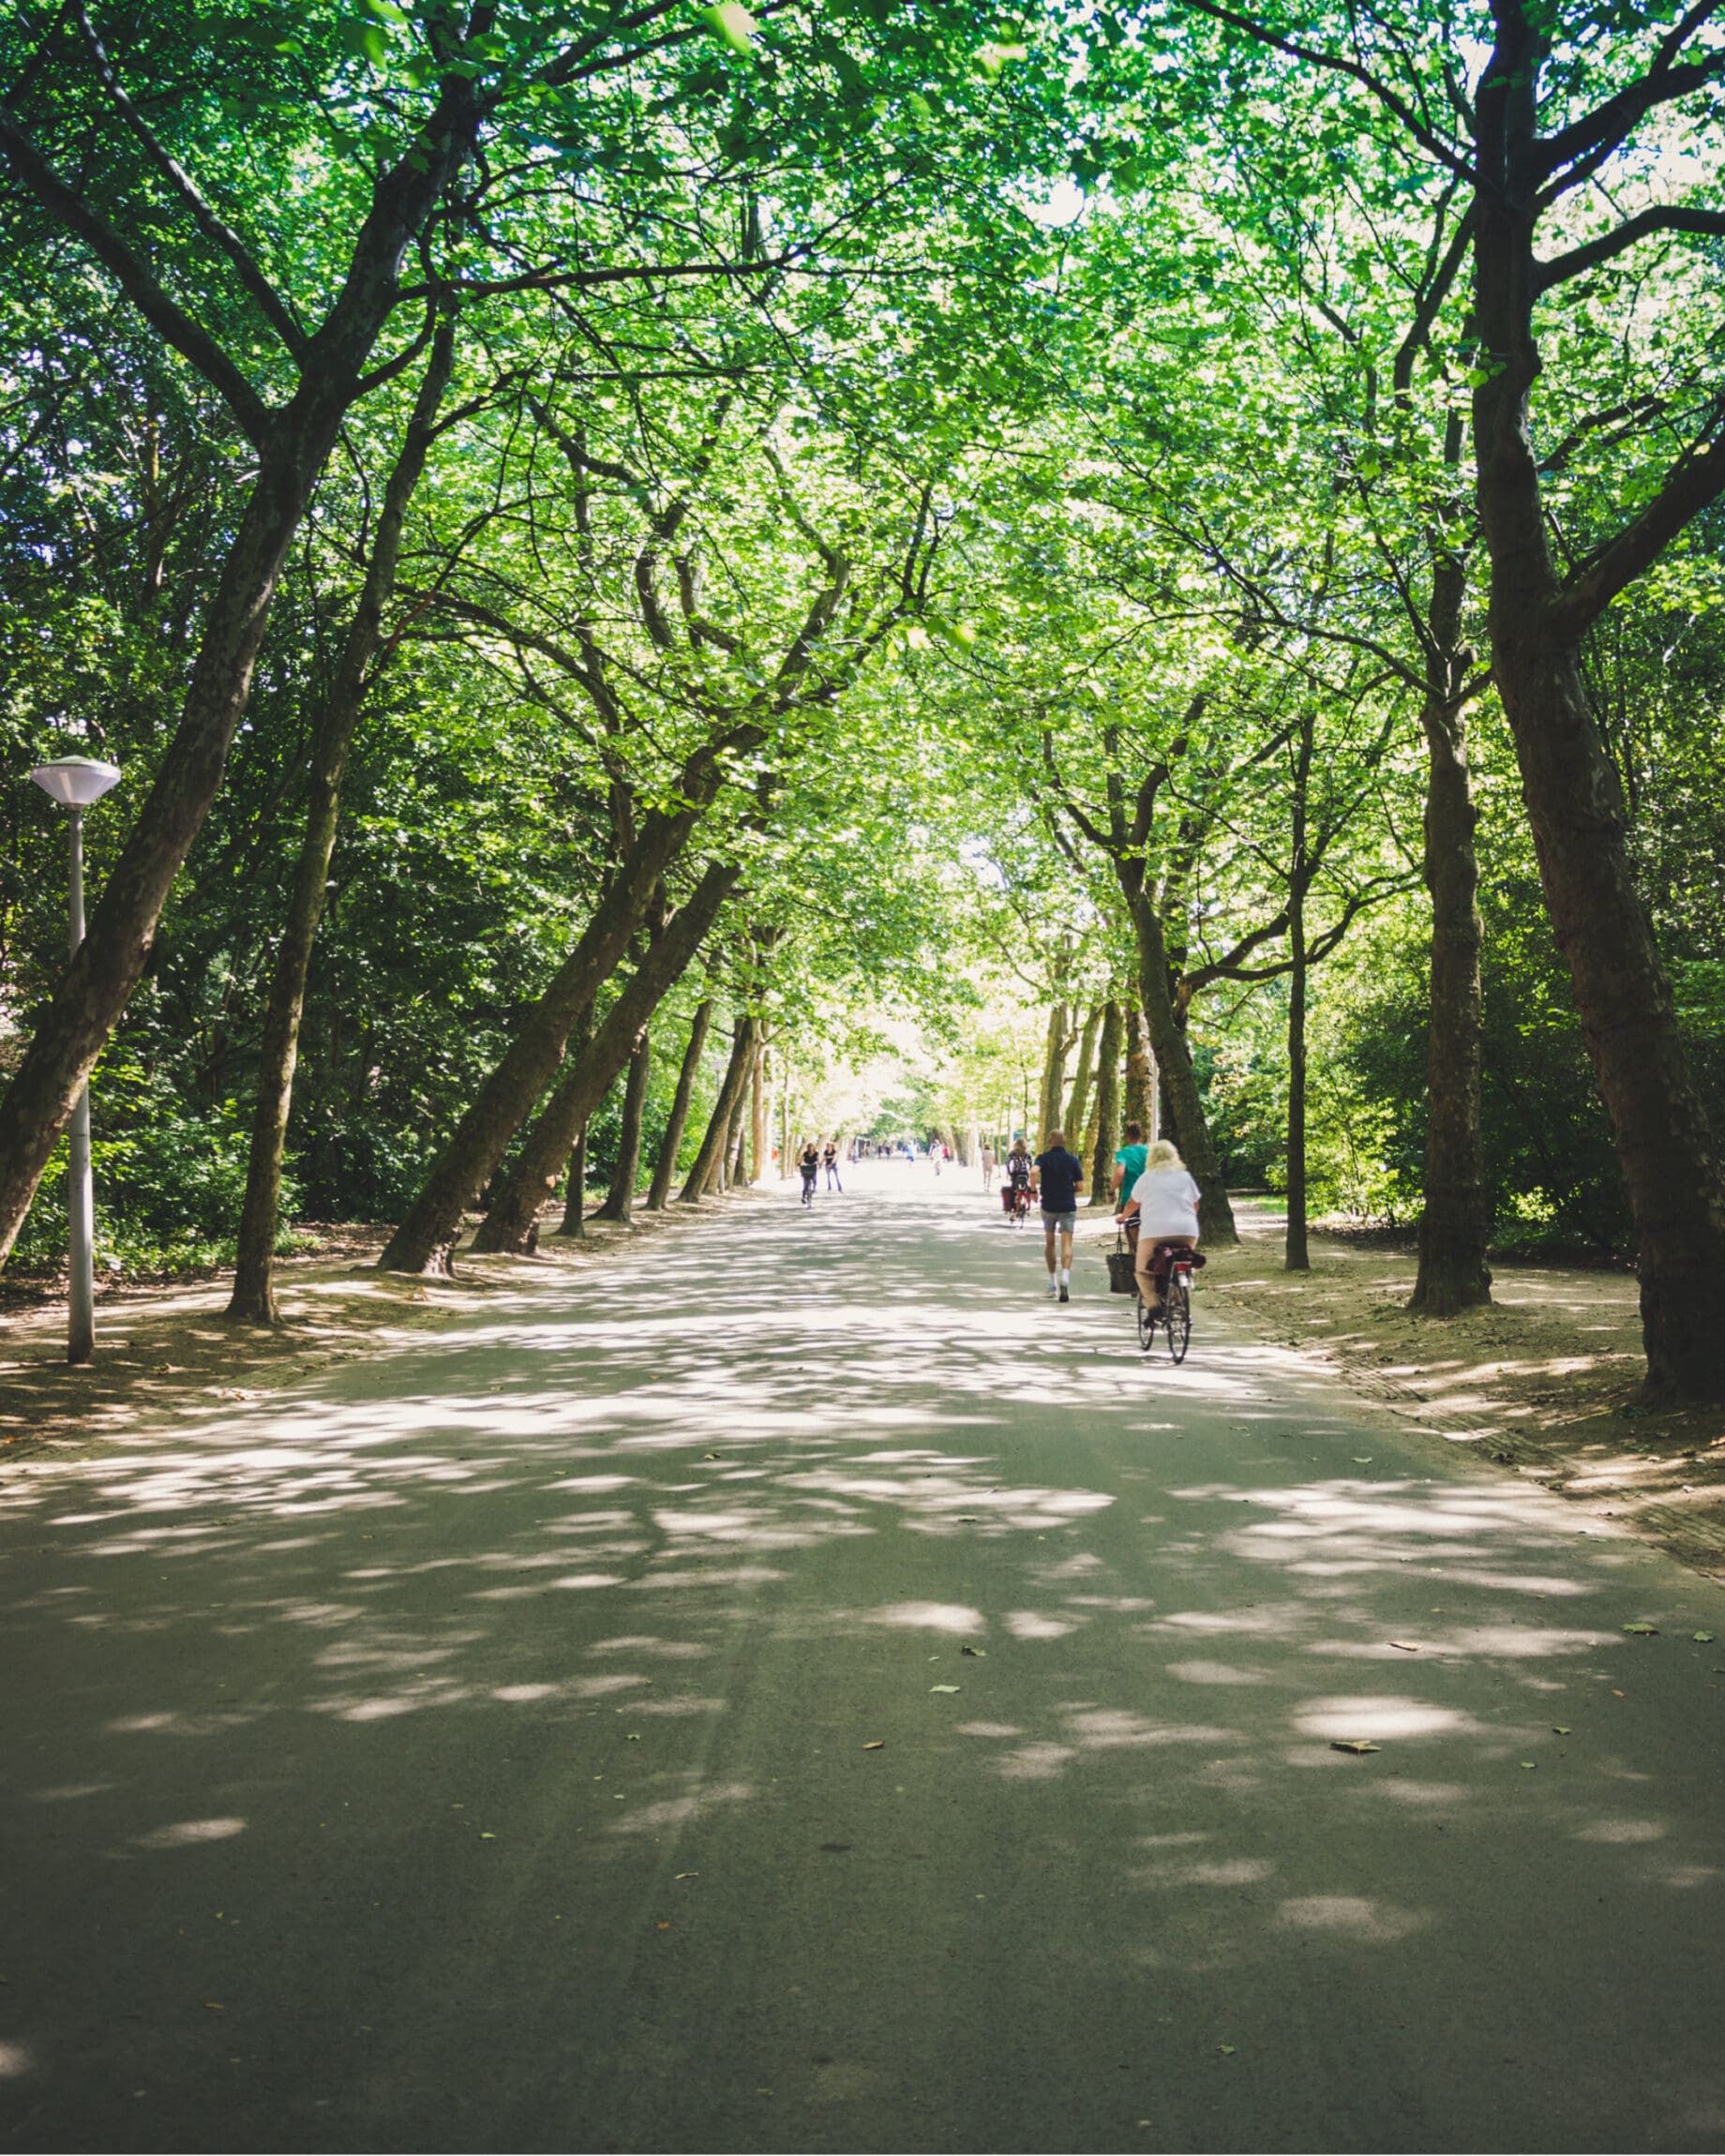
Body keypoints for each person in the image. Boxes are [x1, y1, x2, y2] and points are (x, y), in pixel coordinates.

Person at [1118, 1138, 1202, 1312]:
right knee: (1183, 1258)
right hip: (1187, 1230)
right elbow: (1196, 1205)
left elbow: (1132, 1204)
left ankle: (1154, 1306)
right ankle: (1181, 1296)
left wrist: (1123, 1217)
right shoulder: (1185, 1177)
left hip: (1155, 1232)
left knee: (1142, 1270)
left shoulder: (1147, 1178)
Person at [1032, 1126, 1085, 1301]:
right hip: (1067, 1205)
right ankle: (1065, 1278)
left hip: (1048, 1205)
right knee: (1067, 1244)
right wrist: (1070, 1189)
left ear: (1049, 1142)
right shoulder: (1072, 1160)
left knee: (1050, 1243)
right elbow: (1081, 1186)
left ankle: (1052, 1282)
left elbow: (1033, 1172)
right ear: (1064, 1142)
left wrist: (1033, 1190)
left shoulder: (1043, 1158)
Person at [1111, 1120, 1149, 1208]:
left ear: (1127, 1137)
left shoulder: (1124, 1153)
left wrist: (1111, 1192)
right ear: (1140, 1136)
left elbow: (1119, 1173)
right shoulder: (1149, 1152)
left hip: (1130, 1197)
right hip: (1148, 1198)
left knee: (1130, 1221)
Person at [1002, 1137, 1033, 1218]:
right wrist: (1029, 1172)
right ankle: (1027, 1205)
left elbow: (1007, 1162)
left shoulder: (1013, 1153)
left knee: (1013, 1190)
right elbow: (1031, 1165)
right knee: (1025, 1188)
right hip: (1024, 1174)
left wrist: (1009, 1172)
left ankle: (1012, 1208)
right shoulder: (1027, 1153)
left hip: (1015, 1174)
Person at [799, 1138, 820, 1206]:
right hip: (806, 1167)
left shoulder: (816, 1153)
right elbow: (802, 1159)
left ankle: (814, 1187)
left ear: (813, 1147)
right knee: (805, 1184)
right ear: (808, 1148)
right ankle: (803, 1196)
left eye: (811, 1147)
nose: (810, 1148)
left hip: (813, 1167)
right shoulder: (805, 1153)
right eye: (809, 1147)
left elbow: (818, 1159)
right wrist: (800, 1163)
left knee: (814, 1178)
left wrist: (819, 1163)